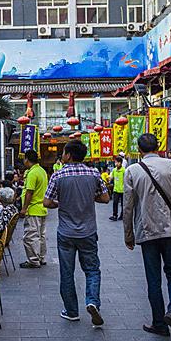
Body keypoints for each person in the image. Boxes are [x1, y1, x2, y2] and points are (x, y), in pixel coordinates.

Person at [123, 133, 171, 341]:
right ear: (159, 146)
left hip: (147, 232)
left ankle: (159, 323)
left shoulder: (132, 170)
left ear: (139, 149)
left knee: (153, 279)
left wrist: (128, 234)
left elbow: (128, 207)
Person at [43, 140, 110, 326]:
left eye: (64, 152)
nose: (62, 156)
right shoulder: (94, 173)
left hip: (66, 233)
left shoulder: (58, 175)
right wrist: (89, 198)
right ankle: (92, 301)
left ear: (69, 155)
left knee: (67, 272)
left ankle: (72, 311)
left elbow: (47, 203)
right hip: (88, 231)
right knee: (92, 270)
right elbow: (105, 198)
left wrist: (61, 202)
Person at [19, 149, 49, 269]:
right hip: (42, 208)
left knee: (30, 236)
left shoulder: (32, 173)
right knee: (41, 235)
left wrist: (24, 208)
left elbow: (29, 192)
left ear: (27, 159)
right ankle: (41, 257)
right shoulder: (42, 171)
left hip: (33, 209)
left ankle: (33, 260)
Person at [109, 156, 125, 221]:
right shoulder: (114, 170)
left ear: (120, 163)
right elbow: (111, 177)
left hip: (123, 190)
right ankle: (114, 215)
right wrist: (109, 179)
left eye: (117, 162)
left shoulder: (124, 170)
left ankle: (122, 215)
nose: (116, 164)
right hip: (116, 189)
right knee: (115, 203)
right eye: (115, 162)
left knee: (123, 204)